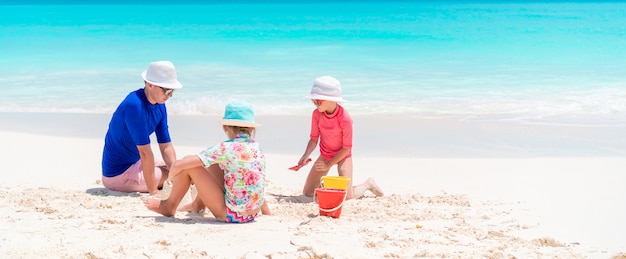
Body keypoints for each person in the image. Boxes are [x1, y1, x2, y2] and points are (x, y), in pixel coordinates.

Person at [143, 100, 271, 223]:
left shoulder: (224, 148)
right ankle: (197, 205)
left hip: (232, 215)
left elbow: (179, 164)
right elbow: (255, 184)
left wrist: (170, 177)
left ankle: (168, 206)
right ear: (252, 129)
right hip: (252, 213)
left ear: (225, 127)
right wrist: (266, 212)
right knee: (213, 163)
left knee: (190, 166)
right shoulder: (256, 148)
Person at [296, 76, 384, 200]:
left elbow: (346, 148)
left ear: (331, 100)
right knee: (308, 192)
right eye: (313, 100)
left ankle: (367, 184)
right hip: (325, 154)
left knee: (348, 197)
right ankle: (330, 187)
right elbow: (314, 139)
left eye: (318, 101)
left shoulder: (345, 119)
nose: (315, 104)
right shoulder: (316, 114)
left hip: (343, 156)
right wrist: (306, 155)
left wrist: (329, 164)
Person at [101, 61, 182, 195]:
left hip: (136, 161)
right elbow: (145, 152)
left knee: (181, 170)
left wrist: (176, 174)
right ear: (150, 84)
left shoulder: (160, 105)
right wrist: (154, 192)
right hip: (118, 174)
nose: (170, 95)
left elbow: (166, 146)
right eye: (167, 90)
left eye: (172, 90)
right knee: (172, 176)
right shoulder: (135, 105)